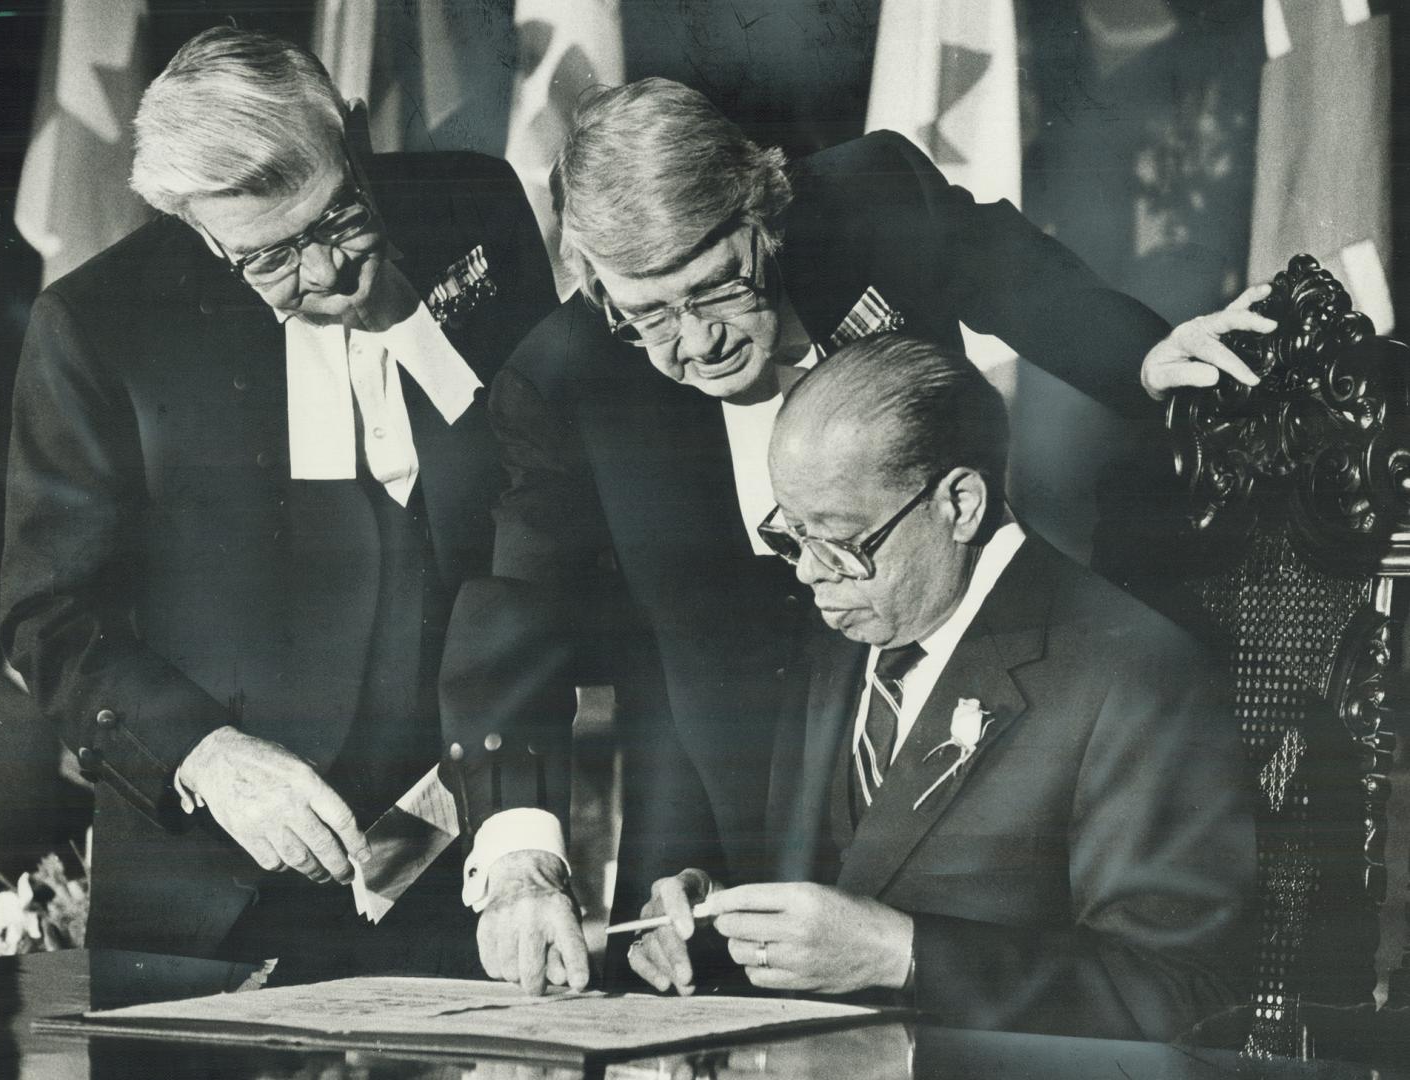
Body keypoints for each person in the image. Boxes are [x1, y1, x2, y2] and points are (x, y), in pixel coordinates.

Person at [465, 77, 1271, 991]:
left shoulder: (869, 196)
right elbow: (514, 618)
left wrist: (1137, 356)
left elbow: (1005, 265)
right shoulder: (562, 376)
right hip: (723, 768)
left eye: (714, 288)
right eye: (644, 314)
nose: (694, 344)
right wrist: (521, 862)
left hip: (960, 702)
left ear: (764, 215)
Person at [0, 27, 562, 980]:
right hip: (208, 907)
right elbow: (48, 618)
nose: (329, 274)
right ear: (195, 223)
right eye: (269, 258)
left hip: (462, 875)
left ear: (348, 130)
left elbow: (536, 520)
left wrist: (519, 826)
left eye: (339, 217)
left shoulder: (476, 211)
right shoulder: (97, 326)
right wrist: (207, 754)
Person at [628, 334, 1256, 1041]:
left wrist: (903, 953)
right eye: (791, 535)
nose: (807, 573)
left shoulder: (1134, 673)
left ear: (960, 503)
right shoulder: (842, 637)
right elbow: (843, 886)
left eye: (837, 541)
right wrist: (717, 923)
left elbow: (1183, 997)